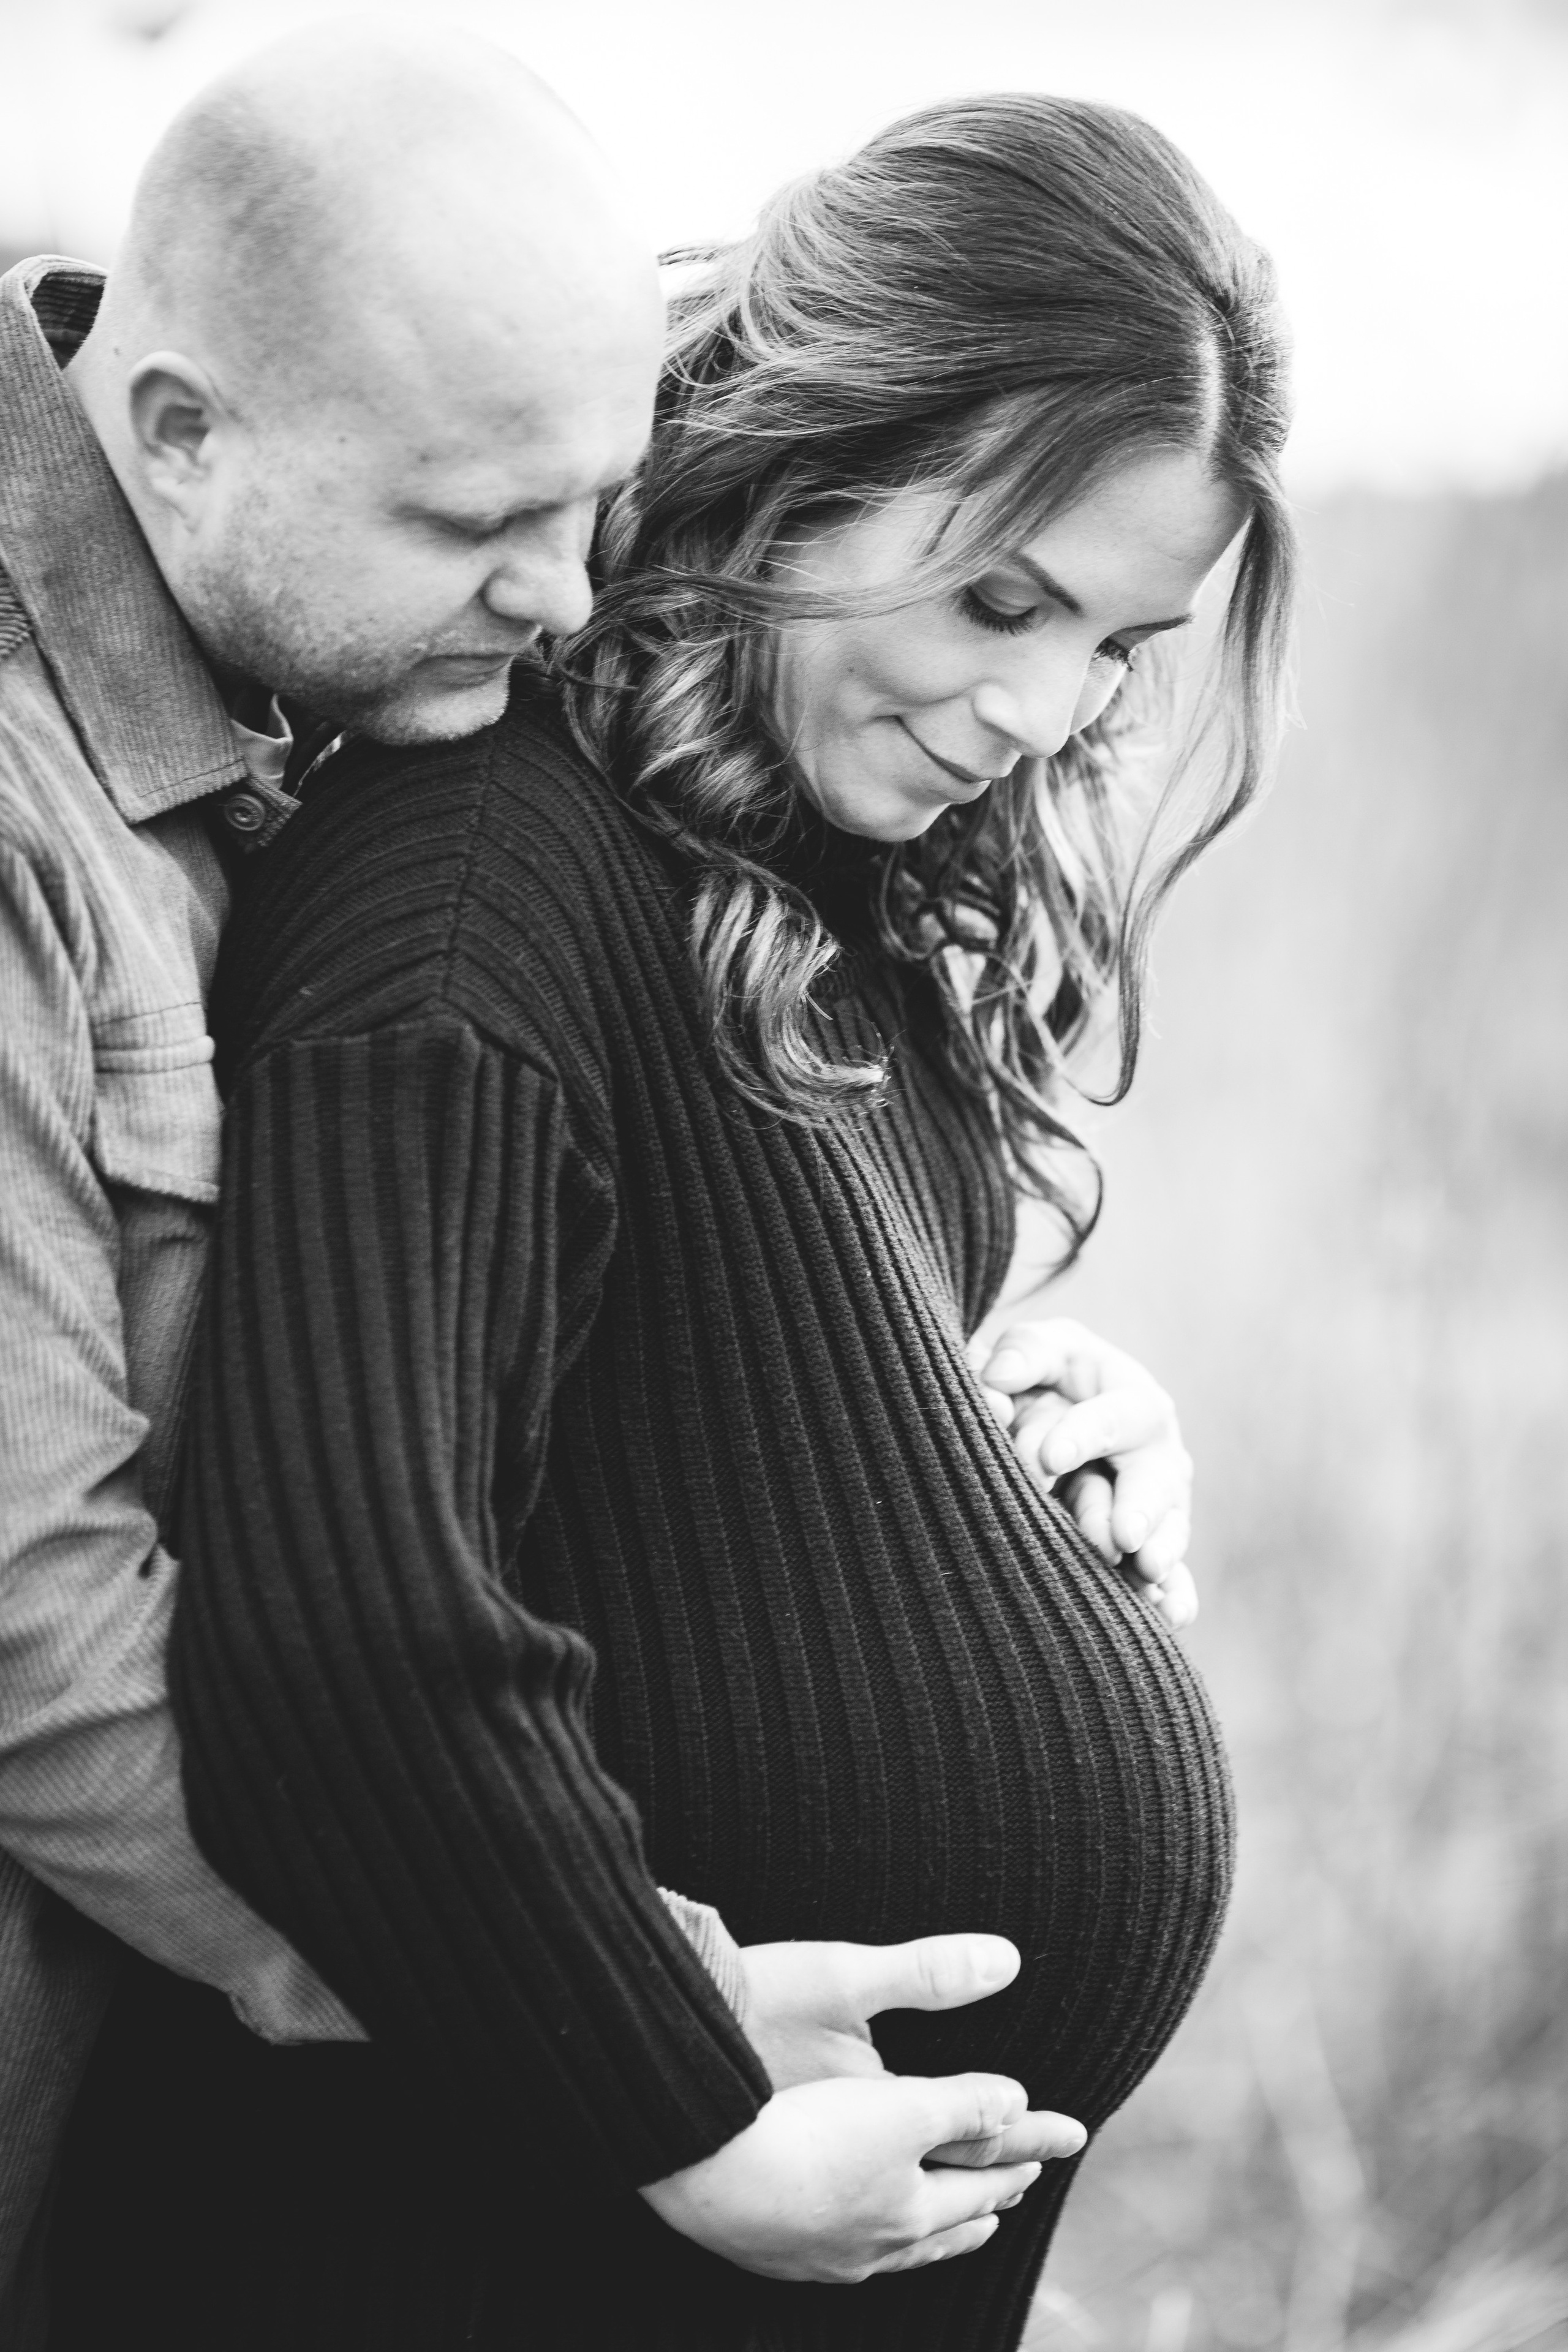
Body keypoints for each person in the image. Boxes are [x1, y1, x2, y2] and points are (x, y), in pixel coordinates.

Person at [1, 28, 1131, 2342]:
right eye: (472, 523)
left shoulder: (302, 621)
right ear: (178, 427)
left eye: (587, 500)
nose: (559, 597)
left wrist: (977, 1436)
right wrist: (615, 2017)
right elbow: (35, 1618)